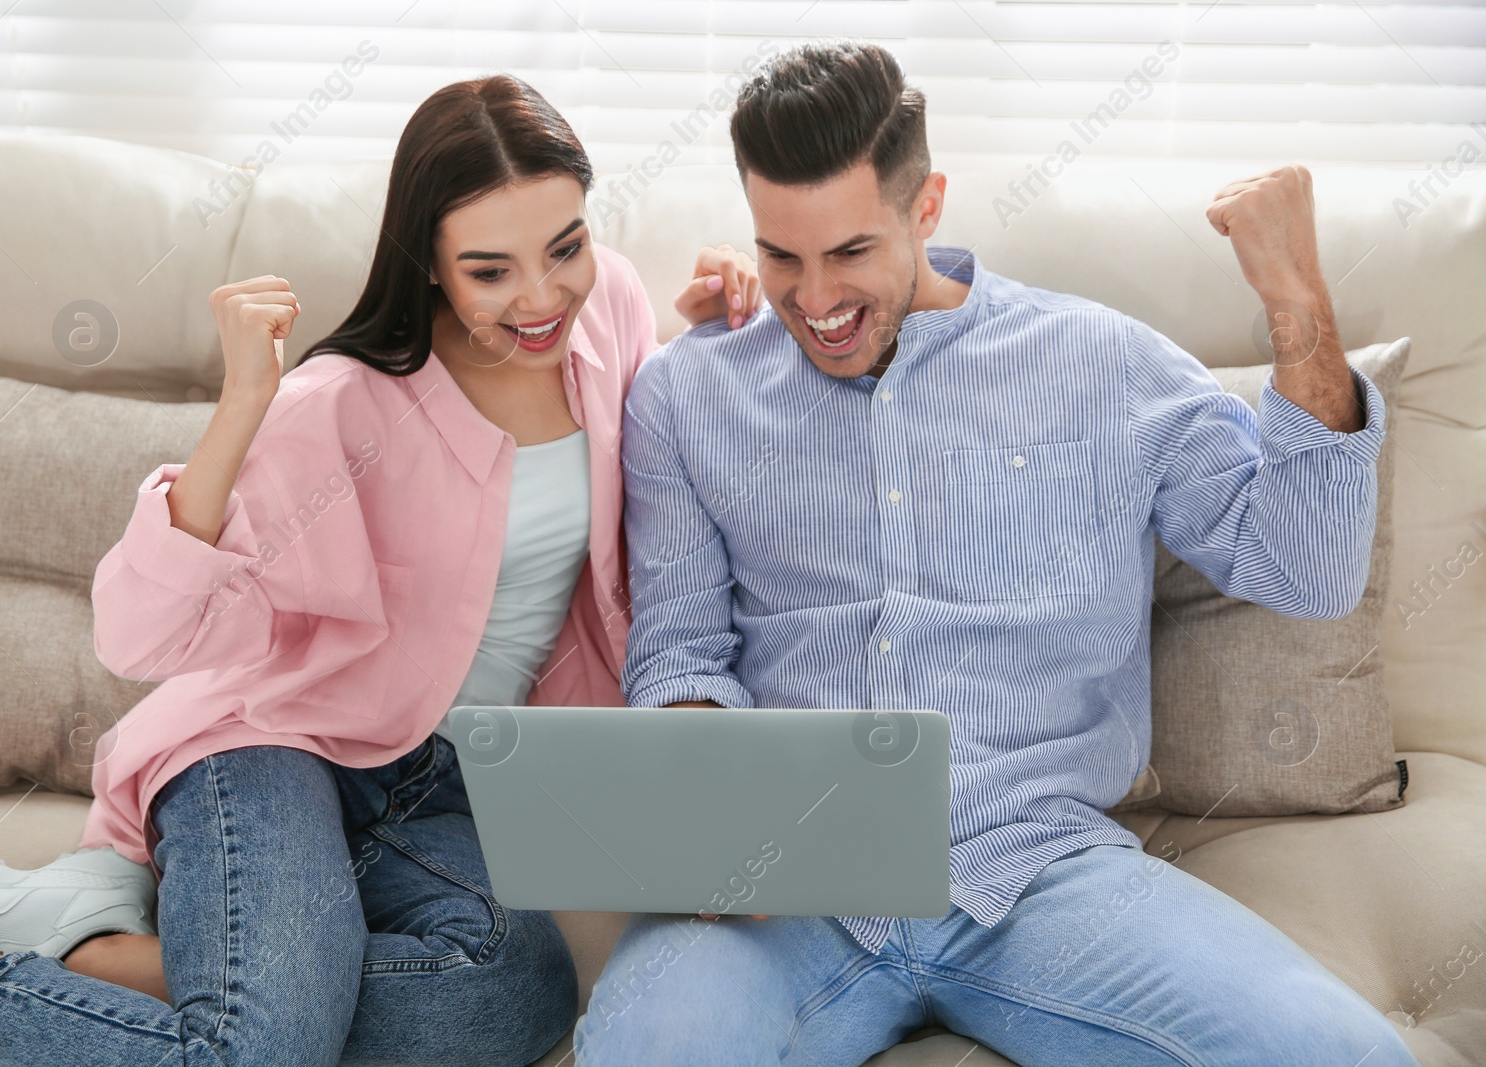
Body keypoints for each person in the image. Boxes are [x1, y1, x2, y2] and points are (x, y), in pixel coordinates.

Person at [0, 74, 760, 1067]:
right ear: (428, 263)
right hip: (274, 748)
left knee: (513, 993)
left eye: (564, 245)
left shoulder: (606, 313)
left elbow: (652, 476)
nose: (541, 296)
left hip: (444, 783)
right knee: (253, 1050)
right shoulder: (344, 405)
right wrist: (241, 407)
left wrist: (714, 334)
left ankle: (186, 962)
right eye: (490, 270)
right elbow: (139, 636)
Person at [574, 40, 1419, 1067]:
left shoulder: (1102, 363)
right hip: (783, 882)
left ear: (926, 205)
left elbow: (1304, 570)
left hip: (1036, 870)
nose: (814, 298)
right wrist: (711, 811)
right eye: (781, 256)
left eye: (849, 252)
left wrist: (1295, 302)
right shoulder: (686, 391)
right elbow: (681, 651)